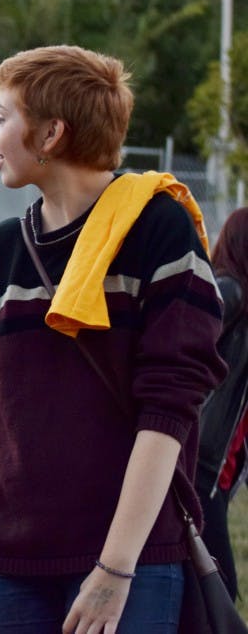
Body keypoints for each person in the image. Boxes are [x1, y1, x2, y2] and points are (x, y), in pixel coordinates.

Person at [0, 45, 228, 634]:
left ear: (52, 133)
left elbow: (169, 411)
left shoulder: (161, 233)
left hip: (128, 560)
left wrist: (115, 570)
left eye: (1, 116)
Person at [196, 206, 248, 600]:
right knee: (221, 591)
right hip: (200, 462)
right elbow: (181, 345)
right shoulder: (229, 290)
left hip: (219, 470)